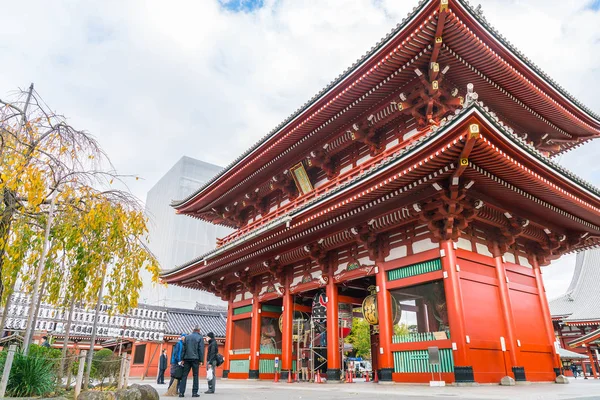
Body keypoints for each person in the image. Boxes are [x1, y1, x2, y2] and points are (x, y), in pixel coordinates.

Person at [179, 326, 204, 398]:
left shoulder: (187, 337)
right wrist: (201, 360)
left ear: (193, 330)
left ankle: (181, 392)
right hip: (195, 359)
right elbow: (201, 350)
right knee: (195, 375)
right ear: (199, 330)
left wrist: (182, 359)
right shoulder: (200, 338)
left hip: (186, 358)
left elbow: (183, 349)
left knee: (184, 376)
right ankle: (194, 392)